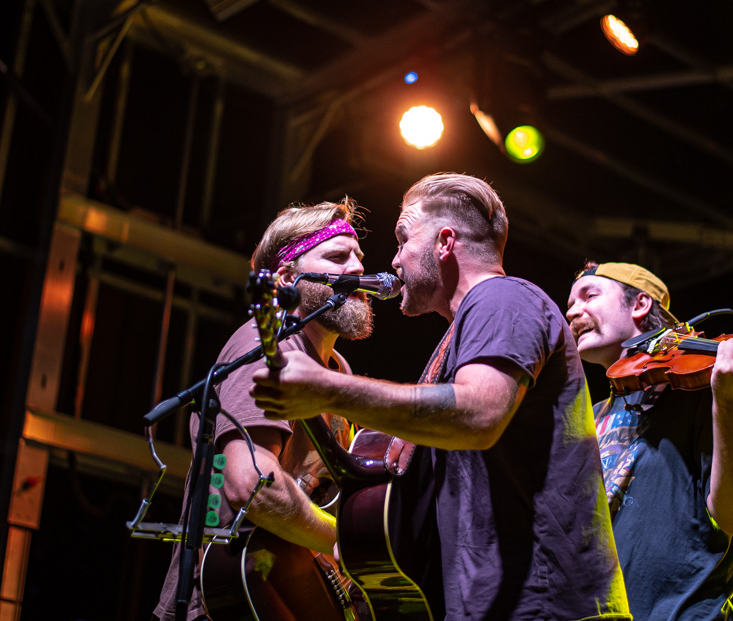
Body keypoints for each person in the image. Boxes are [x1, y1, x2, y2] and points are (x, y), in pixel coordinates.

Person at [252, 173, 630, 620]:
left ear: (444, 242)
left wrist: (329, 390)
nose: (392, 260)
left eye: (402, 238)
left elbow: (478, 415)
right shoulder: (461, 334)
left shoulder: (502, 299)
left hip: (544, 604)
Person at [155, 197, 375, 621]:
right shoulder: (266, 348)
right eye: (337, 256)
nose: (357, 269)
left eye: (359, 257)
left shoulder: (337, 371)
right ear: (286, 277)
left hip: (285, 593)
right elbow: (252, 485)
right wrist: (344, 540)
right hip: (226, 601)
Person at [565, 261, 733, 620]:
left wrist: (731, 401)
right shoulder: (589, 417)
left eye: (589, 295)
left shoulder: (701, 392)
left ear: (640, 305)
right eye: (570, 304)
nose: (572, 311)